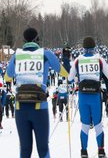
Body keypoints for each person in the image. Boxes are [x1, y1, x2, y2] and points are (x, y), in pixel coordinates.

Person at [5, 27, 69, 158]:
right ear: (37, 40)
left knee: (25, 150)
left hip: (20, 108)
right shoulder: (45, 53)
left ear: (24, 41)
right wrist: (66, 57)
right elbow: (65, 72)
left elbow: (7, 77)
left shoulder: (17, 55)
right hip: (39, 107)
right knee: (43, 148)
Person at [68, 36, 108, 158]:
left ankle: (83, 151)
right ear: (94, 47)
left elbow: (70, 78)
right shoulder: (99, 59)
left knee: (85, 125)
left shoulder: (78, 60)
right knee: (98, 124)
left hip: (83, 96)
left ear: (83, 48)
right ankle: (101, 150)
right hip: (95, 96)